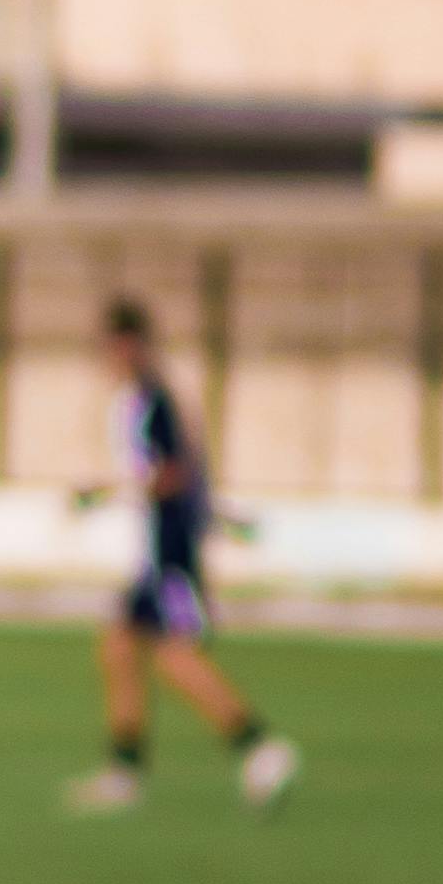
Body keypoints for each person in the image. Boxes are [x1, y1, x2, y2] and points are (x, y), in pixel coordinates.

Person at [63, 292, 296, 814]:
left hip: (167, 549)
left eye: (111, 348)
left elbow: (172, 473)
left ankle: (260, 747)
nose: (106, 359)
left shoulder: (153, 402)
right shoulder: (140, 401)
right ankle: (124, 770)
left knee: (174, 656)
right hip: (155, 550)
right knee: (120, 646)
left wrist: (107, 492)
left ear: (129, 346)